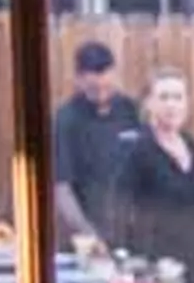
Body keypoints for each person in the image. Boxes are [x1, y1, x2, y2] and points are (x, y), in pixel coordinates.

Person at [104, 68, 194, 279]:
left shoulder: (192, 146)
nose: (171, 105)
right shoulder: (136, 150)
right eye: (163, 97)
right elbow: (118, 211)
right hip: (156, 272)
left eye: (178, 97)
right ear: (149, 103)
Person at [49, 38, 140, 250]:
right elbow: (62, 189)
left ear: (114, 75)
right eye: (93, 87)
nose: (100, 90)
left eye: (105, 84)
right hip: (85, 239)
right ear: (78, 80)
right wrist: (91, 236)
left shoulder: (131, 111)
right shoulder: (66, 120)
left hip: (133, 236)